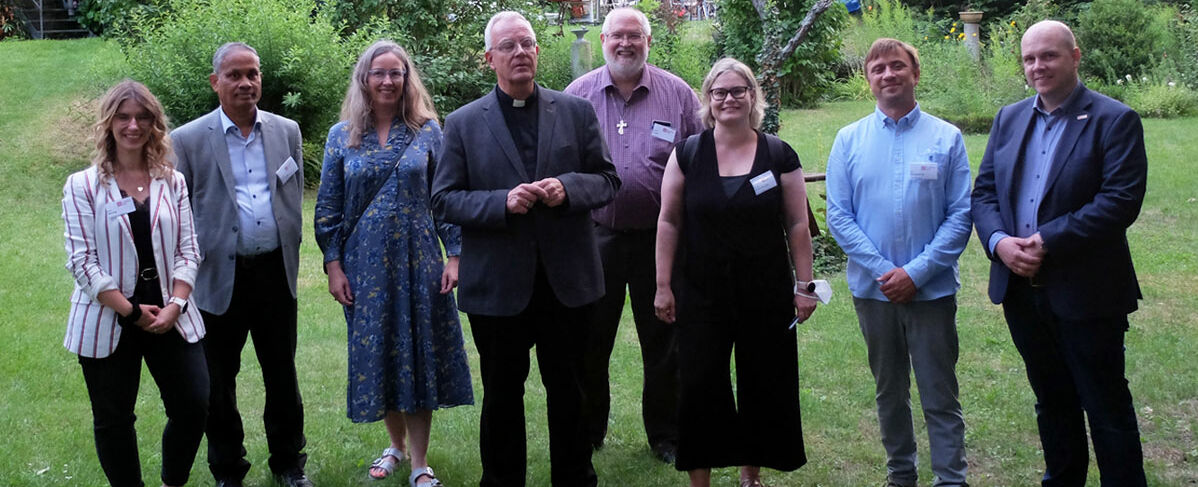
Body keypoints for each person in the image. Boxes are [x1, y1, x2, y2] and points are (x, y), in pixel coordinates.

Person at [430, 11, 620, 487]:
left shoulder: (574, 112)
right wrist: (501, 202)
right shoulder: (463, 122)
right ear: (489, 58)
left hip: (567, 282)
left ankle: (575, 478)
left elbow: (607, 179)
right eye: (508, 46)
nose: (520, 53)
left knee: (570, 390)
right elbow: (443, 198)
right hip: (499, 285)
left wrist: (567, 188)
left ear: (537, 52)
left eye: (527, 44)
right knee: (500, 394)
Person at [971, 20, 1148, 486]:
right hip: (1021, 291)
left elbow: (1120, 200)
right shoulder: (1009, 118)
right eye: (1029, 59)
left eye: (1048, 55)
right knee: (1051, 399)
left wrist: (1047, 239)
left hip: (1087, 290)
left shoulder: (1115, 119)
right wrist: (999, 243)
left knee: (1105, 403)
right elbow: (985, 193)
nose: (1037, 66)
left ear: (1075, 56)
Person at [314, 39, 473, 487]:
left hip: (420, 261)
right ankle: (395, 447)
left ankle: (420, 463)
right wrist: (334, 266)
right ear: (364, 79)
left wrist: (455, 256)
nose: (387, 81)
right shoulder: (341, 136)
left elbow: (445, 201)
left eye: (396, 73)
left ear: (407, 79)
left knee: (421, 354)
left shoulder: (428, 132)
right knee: (379, 354)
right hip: (364, 267)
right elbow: (328, 207)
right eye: (378, 73)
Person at [653, 57, 816, 487]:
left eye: (738, 91)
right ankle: (700, 481)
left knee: (764, 381)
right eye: (719, 92)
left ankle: (751, 473)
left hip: (765, 291)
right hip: (701, 291)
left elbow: (798, 224)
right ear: (708, 100)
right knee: (700, 384)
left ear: (752, 97)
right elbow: (668, 221)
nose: (729, 99)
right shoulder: (687, 153)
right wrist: (662, 285)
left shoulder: (778, 153)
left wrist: (805, 287)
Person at [825, 38, 972, 487]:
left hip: (931, 291)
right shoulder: (848, 140)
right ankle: (900, 475)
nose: (888, 75)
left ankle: (950, 478)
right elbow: (838, 215)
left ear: (915, 73)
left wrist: (916, 272)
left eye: (897, 66)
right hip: (874, 292)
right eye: (878, 69)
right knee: (889, 392)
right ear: (868, 80)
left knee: (939, 392)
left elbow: (961, 213)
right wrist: (883, 270)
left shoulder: (947, 137)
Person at [563, 6, 703, 463]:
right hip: (594, 236)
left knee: (664, 341)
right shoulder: (577, 96)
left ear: (648, 41)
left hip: (660, 241)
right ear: (603, 40)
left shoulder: (677, 95)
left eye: (635, 36)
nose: (626, 44)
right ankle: (588, 430)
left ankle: (666, 435)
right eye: (617, 36)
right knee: (589, 339)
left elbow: (700, 163)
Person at [171, 42, 312, 487]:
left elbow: (292, 195)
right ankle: (228, 470)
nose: (245, 82)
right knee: (218, 381)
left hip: (274, 273)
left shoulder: (286, 130)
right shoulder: (188, 140)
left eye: (252, 73)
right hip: (217, 277)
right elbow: (179, 213)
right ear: (215, 82)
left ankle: (289, 464)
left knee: (282, 374)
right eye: (234, 75)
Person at [62, 79, 208, 487]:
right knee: (113, 419)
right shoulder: (82, 186)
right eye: (123, 117)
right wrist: (129, 311)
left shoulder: (172, 181)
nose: (133, 125)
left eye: (143, 117)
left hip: (170, 312)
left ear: (154, 124)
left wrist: (176, 304)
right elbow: (82, 261)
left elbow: (189, 250)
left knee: (194, 405)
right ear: (108, 123)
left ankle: (172, 482)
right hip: (109, 316)